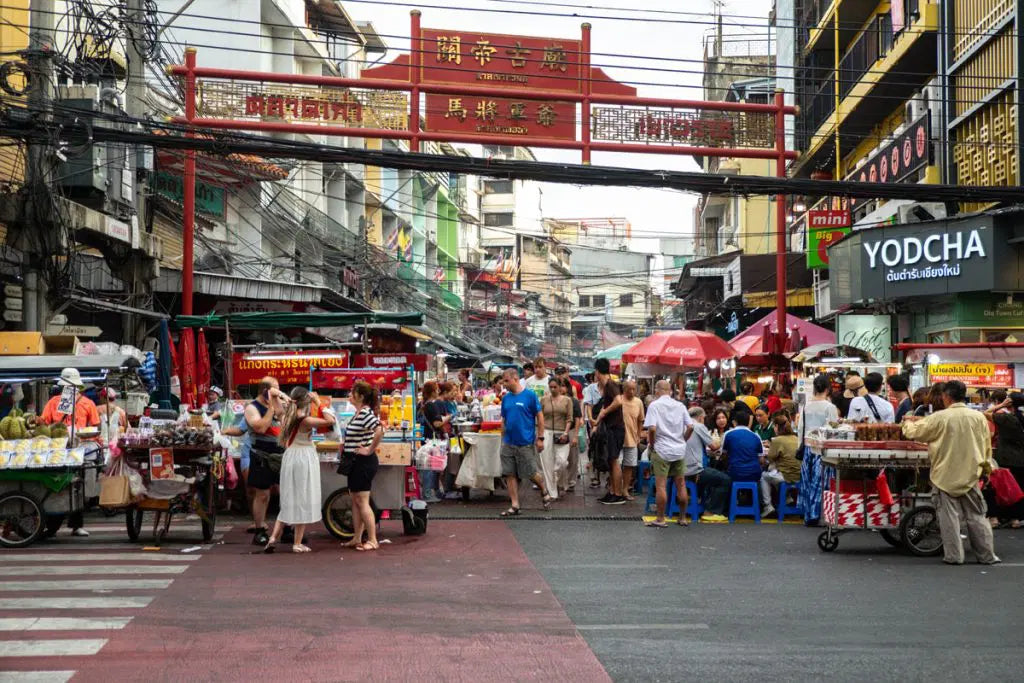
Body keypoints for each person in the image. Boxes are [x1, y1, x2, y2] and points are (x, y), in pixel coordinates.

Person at [903, 380, 999, 565]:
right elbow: (986, 446)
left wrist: (907, 422)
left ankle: (954, 556)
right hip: (971, 474)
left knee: (948, 518)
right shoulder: (978, 417)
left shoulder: (940, 417)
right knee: (977, 516)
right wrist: (986, 470)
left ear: (946, 396)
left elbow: (915, 432)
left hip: (944, 475)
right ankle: (987, 555)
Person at [263, 387, 336, 554]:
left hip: (290, 457)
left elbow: (271, 392)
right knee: (302, 498)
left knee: (289, 498)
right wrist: (319, 402)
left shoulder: (284, 415)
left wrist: (283, 395)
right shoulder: (305, 420)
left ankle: (273, 537)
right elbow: (330, 420)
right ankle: (297, 543)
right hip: (304, 458)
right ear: (307, 403)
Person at [38, 368, 99, 538]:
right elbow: (43, 424)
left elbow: (95, 427)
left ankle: (76, 525)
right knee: (56, 485)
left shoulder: (88, 404)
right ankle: (52, 525)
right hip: (57, 451)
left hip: (79, 450)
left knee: (76, 486)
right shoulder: (53, 403)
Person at [499, 368, 552, 515]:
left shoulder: (530, 396)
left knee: (531, 473)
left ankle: (544, 489)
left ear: (515, 379)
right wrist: (502, 437)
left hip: (525, 442)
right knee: (509, 473)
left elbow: (540, 417)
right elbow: (504, 418)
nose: (504, 383)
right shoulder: (506, 398)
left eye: (506, 380)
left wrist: (540, 437)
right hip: (508, 442)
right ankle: (515, 504)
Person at [643, 380, 693, 527]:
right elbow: (690, 427)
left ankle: (660, 519)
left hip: (662, 450)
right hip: (679, 450)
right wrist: (683, 441)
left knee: (661, 486)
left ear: (657, 390)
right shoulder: (680, 405)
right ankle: (683, 518)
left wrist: (652, 444)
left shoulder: (654, 406)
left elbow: (651, 429)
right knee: (681, 484)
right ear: (670, 390)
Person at [342, 382, 384, 551]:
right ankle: (357, 537)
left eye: (353, 392)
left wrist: (369, 449)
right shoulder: (358, 413)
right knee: (356, 500)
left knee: (362, 500)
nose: (350, 395)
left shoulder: (365, 413)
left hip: (363, 462)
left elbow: (380, 429)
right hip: (354, 461)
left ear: (360, 396)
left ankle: (373, 539)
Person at [244, 376, 285, 545]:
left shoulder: (276, 403)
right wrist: (271, 409)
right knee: (262, 494)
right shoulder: (252, 408)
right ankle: (260, 530)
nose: (278, 394)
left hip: (281, 453)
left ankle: (288, 529)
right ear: (266, 391)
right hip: (262, 454)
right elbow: (260, 427)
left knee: (286, 492)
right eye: (275, 390)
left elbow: (284, 421)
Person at [798, 374, 840, 525]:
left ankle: (809, 514)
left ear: (814, 388)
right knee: (822, 483)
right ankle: (821, 515)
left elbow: (801, 428)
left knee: (809, 482)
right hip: (823, 450)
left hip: (808, 448)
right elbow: (833, 430)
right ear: (828, 389)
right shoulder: (830, 407)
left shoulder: (806, 406)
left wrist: (800, 447)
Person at [683, 406, 731, 522]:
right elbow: (714, 446)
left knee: (712, 475)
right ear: (700, 418)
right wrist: (723, 439)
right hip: (694, 471)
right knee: (725, 479)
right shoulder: (699, 426)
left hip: (679, 469)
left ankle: (702, 503)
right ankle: (711, 511)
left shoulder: (681, 426)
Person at [593, 358, 626, 505]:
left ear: (597, 371)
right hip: (611, 428)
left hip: (615, 428)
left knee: (614, 460)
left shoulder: (610, 384)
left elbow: (618, 401)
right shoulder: (607, 386)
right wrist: (598, 421)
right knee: (611, 460)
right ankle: (612, 492)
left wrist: (605, 411)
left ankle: (618, 494)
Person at [985, 393, 1024, 517]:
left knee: (1008, 489)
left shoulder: (1007, 418)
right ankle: (1017, 518)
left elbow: (984, 414)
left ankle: (1007, 517)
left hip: (1007, 458)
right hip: (1021, 457)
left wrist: (1000, 405)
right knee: (1020, 489)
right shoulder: (1020, 417)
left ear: (1009, 402)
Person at [760, 412, 801, 517]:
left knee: (764, 476)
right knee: (774, 470)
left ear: (777, 426)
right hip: (799, 475)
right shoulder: (796, 438)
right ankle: (787, 498)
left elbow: (770, 457)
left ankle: (768, 506)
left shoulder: (777, 440)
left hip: (787, 476)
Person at [539, 378, 573, 500]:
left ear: (560, 387)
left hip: (561, 433)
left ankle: (559, 481)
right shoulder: (543, 400)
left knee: (562, 462)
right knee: (547, 463)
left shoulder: (567, 400)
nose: (553, 389)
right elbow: (540, 418)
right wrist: (540, 435)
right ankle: (552, 492)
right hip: (547, 432)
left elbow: (570, 418)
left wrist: (566, 432)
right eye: (551, 387)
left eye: (555, 387)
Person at [721, 410, 764, 489]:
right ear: (748, 422)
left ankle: (732, 499)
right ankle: (753, 499)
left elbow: (724, 455)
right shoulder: (756, 436)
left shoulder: (728, 434)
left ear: (735, 422)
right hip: (754, 474)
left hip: (735, 473)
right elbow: (761, 460)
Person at [618, 379, 646, 501]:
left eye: (634, 389)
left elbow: (641, 420)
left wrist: (638, 435)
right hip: (618, 438)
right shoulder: (618, 400)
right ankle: (616, 488)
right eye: (629, 389)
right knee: (617, 464)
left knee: (629, 465)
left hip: (632, 439)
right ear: (624, 389)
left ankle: (625, 489)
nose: (632, 391)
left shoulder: (638, 402)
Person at [558, 376, 584, 493]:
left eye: (563, 386)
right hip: (558, 431)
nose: (561, 388)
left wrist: (575, 435)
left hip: (572, 430)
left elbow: (578, 418)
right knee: (560, 458)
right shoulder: (554, 400)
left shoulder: (573, 401)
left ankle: (571, 481)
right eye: (560, 386)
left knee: (572, 457)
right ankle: (560, 481)